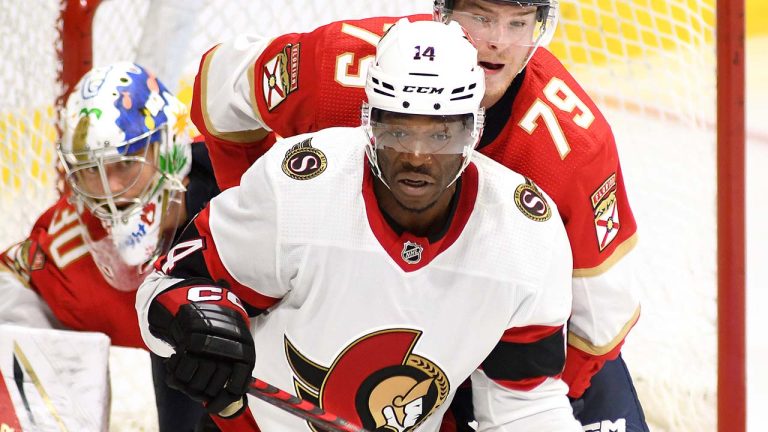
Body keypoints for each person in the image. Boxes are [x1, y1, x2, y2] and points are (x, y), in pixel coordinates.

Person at [189, 1, 647, 430]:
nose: (497, 43)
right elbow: (218, 87)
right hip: (346, 296)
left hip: (503, 335)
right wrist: (263, 220)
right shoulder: (335, 66)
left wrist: (511, 398)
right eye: (480, 17)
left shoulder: (572, 148)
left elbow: (602, 322)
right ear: (442, 14)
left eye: (518, 23)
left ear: (541, 28)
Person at [0, 62, 220, 432]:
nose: (108, 188)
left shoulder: (236, 190)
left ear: (167, 150)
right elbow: (14, 277)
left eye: (123, 164)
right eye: (90, 169)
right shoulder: (70, 243)